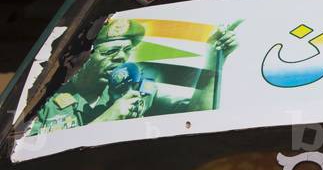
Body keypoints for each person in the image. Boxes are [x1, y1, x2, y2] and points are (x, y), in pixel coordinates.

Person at [27, 18, 238, 135]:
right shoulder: (46, 104)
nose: (121, 59)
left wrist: (214, 58)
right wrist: (109, 118)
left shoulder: (138, 91)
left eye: (126, 51)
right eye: (110, 52)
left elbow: (198, 116)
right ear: (80, 60)